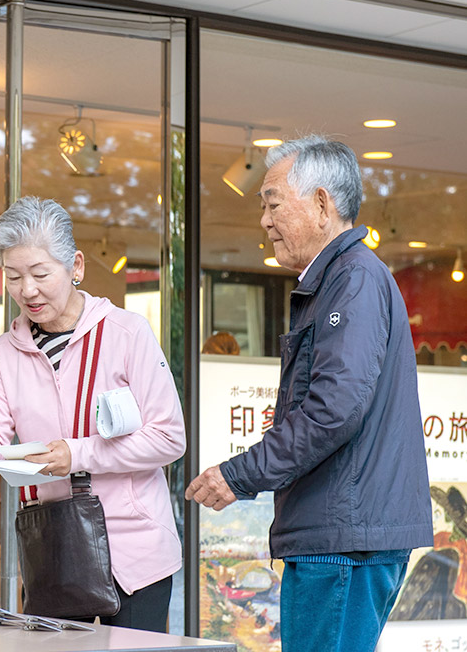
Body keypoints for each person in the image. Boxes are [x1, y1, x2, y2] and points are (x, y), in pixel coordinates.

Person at [185, 135, 432, 652]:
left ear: (321, 204)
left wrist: (239, 475)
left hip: (344, 539)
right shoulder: (344, 279)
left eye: (273, 202)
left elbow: (332, 410)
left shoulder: (354, 280)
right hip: (342, 533)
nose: (264, 220)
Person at [0, 196, 185, 632]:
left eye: (40, 274)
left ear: (75, 266)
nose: (27, 290)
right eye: (13, 276)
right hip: (56, 552)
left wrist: (75, 455)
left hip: (136, 554)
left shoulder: (127, 333)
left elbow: (169, 438)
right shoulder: (6, 352)